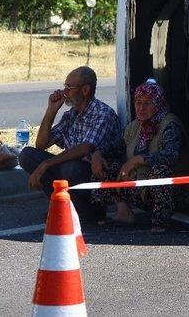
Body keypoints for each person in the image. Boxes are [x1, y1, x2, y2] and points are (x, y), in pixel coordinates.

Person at [18, 66, 122, 222]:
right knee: (27, 155)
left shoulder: (102, 113)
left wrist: (45, 165)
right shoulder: (70, 115)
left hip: (95, 173)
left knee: (70, 167)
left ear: (85, 90)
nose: (64, 92)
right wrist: (51, 110)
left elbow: (85, 148)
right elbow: (41, 144)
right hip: (72, 168)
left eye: (69, 87)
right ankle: (60, 206)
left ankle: (87, 210)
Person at [90, 79, 189, 233]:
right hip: (140, 186)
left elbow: (171, 156)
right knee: (106, 165)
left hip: (175, 192)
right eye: (138, 102)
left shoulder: (169, 124)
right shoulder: (134, 127)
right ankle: (124, 213)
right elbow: (113, 146)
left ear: (157, 105)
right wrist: (97, 154)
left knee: (160, 172)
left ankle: (161, 221)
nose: (141, 108)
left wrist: (138, 160)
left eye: (147, 103)